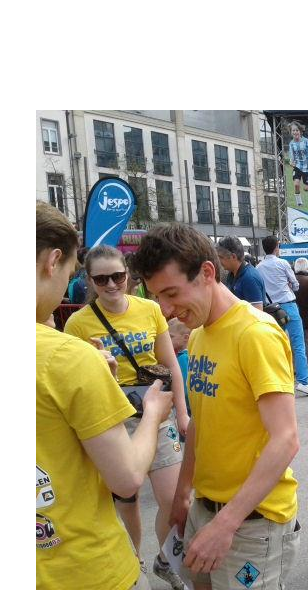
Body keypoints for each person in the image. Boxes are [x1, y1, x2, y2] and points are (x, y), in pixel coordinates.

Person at [130, 222, 301, 590]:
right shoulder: (201, 334)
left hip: (251, 523)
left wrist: (226, 524)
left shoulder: (256, 334)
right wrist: (182, 494)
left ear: (207, 273)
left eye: (171, 293)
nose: (166, 310)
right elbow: (201, 423)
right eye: (158, 297)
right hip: (204, 509)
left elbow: (286, 439)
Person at [36, 201, 172, 590]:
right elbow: (127, 479)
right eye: (73, 274)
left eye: (118, 277)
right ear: (53, 262)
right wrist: (153, 413)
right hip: (85, 567)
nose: (110, 285)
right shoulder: (70, 353)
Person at [62, 244, 192, 590]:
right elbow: (75, 382)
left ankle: (165, 560)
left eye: (117, 276)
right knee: (127, 502)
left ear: (128, 275)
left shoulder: (149, 310)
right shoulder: (77, 323)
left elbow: (171, 365)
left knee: (175, 501)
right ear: (90, 280)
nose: (111, 285)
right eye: (101, 279)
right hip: (112, 422)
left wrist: (182, 414)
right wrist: (101, 368)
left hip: (156, 412)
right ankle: (134, 562)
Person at [258, 235, 308, 397]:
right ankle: (303, 382)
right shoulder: (283, 263)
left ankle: (279, 380)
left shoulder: (259, 267)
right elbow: (295, 285)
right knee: (298, 344)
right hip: (288, 305)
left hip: (271, 309)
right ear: (276, 247)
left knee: (275, 345)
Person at [216, 236, 264, 309]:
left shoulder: (249, 278)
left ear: (233, 256)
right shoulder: (232, 273)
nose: (219, 261)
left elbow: (257, 312)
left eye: (221, 257)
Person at [284, 121, 308, 207]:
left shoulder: (307, 142)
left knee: (306, 189)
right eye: (293, 130)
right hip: (298, 167)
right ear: (291, 132)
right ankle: (299, 202)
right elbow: (291, 157)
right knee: (296, 184)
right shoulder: (291, 144)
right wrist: (291, 162)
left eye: (297, 130)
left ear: (300, 131)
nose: (295, 132)